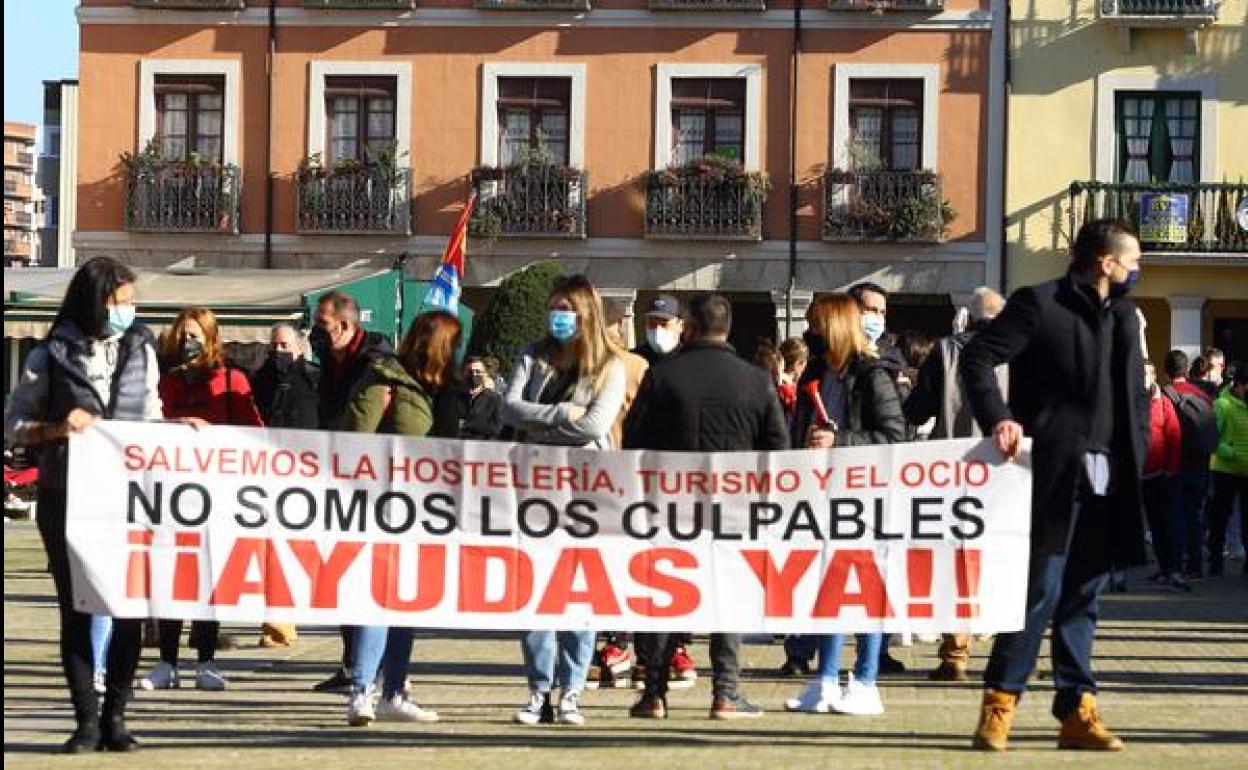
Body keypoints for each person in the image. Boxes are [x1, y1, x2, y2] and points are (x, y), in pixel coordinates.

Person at [961, 219, 1149, 752]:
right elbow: (979, 357)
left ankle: (1076, 710)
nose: (1139, 267)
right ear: (1104, 262)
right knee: (1039, 592)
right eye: (1132, 258)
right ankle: (999, 705)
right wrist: (998, 416)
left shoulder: (1127, 317)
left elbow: (1133, 389)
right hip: (1050, 471)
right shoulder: (1038, 303)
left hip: (1110, 472)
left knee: (1084, 596)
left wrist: (1137, 439)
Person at [3, 256, 165, 752]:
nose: (129, 311)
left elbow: (153, 415)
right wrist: (54, 428)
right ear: (97, 302)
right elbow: (13, 425)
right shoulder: (49, 354)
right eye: (121, 302)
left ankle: (116, 716)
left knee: (129, 608)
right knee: (76, 609)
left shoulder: (142, 348)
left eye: (132, 303)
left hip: (130, 495)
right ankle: (86, 721)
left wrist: (183, 434)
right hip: (66, 493)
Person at [624, 293, 789, 721]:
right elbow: (779, 450)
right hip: (734, 508)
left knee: (661, 596)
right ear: (727, 328)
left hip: (668, 507)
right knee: (729, 598)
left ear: (691, 326)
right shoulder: (756, 380)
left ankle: (655, 694)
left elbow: (634, 444)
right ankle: (725, 693)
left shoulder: (662, 376)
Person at [502, 274, 627, 727]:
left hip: (587, 490)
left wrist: (541, 426)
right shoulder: (532, 355)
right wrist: (559, 415)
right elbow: (508, 407)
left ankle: (571, 688)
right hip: (534, 484)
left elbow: (595, 426)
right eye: (553, 307)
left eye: (565, 308)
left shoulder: (609, 365)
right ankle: (538, 690)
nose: (557, 316)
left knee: (580, 592)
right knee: (534, 590)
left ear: (585, 313)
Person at [339, 310, 465, 727]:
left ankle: (394, 691)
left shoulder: (442, 388)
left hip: (422, 511)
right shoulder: (382, 381)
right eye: (452, 344)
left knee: (405, 602)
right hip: (380, 506)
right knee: (378, 598)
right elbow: (354, 442)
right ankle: (362, 691)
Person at [784, 294, 907, 717]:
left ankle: (867, 681)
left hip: (866, 498)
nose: (809, 334)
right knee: (829, 588)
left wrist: (841, 442)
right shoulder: (819, 372)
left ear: (834, 327)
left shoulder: (873, 375)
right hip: (826, 497)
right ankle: (826, 680)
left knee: (868, 588)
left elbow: (895, 438)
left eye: (815, 325)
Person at [141, 307, 264, 693]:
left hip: (216, 495)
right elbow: (145, 427)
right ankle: (167, 662)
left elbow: (255, 433)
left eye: (194, 334)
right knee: (170, 578)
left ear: (211, 338)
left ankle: (206, 661)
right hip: (170, 494)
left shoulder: (233, 379)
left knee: (209, 579)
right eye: (181, 335)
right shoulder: (166, 383)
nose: (187, 342)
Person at [903, 286, 1007, 681]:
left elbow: (917, 411)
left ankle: (954, 654)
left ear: (967, 316)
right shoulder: (1020, 351)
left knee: (956, 561)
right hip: (1005, 471)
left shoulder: (944, 352)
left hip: (951, 471)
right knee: (1003, 558)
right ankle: (1007, 655)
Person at [307, 291, 393, 694]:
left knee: (369, 573)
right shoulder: (328, 359)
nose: (316, 333)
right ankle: (349, 662)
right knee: (338, 571)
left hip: (372, 478)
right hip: (335, 473)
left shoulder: (376, 359)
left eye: (322, 324)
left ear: (345, 325)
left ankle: (374, 668)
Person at [249, 322, 318, 647]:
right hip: (265, 477)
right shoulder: (258, 380)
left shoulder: (315, 380)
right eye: (274, 346)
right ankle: (275, 622)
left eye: (284, 346)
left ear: (299, 348)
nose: (278, 352)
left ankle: (285, 618)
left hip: (304, 477)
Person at [1162, 349, 1216, 580]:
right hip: (1201, 463)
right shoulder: (1203, 396)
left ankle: (1174, 566)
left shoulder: (1166, 395)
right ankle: (1195, 565)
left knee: (1173, 516)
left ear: (1166, 371)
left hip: (1175, 465)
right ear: (1186, 370)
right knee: (1194, 515)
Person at [1141, 360, 1187, 591]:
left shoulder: (1162, 403)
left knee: (1164, 525)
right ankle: (1161, 567)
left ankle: (1172, 569)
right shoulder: (1130, 399)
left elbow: (1174, 438)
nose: (1143, 378)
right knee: (1144, 525)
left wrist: (1171, 470)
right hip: (1135, 475)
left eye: (1147, 374)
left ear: (1154, 376)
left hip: (1160, 475)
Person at [1207, 364, 1248, 576]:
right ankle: (1215, 562)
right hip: (1225, 471)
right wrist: (1229, 452)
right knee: (1220, 517)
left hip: (1246, 471)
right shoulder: (1222, 405)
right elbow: (1212, 437)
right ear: (1239, 385)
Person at [632, 294, 683, 366]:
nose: (658, 330)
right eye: (652, 324)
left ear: (680, 326)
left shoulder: (690, 359)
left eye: (664, 324)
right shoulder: (633, 359)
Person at [460, 355, 503, 440]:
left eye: (478, 371)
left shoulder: (493, 398)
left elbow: (496, 428)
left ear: (485, 373)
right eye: (470, 371)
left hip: (477, 446)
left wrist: (467, 425)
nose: (474, 375)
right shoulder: (457, 395)